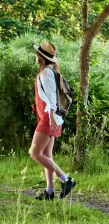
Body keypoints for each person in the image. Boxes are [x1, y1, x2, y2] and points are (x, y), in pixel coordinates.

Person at [29, 41, 75, 200]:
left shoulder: (46, 74)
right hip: (52, 117)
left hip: (50, 118)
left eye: (37, 53)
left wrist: (49, 116)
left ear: (40, 57)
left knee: (34, 153)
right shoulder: (48, 71)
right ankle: (49, 191)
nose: (35, 55)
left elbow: (51, 98)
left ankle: (66, 179)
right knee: (46, 154)